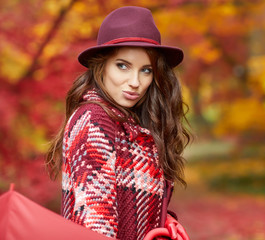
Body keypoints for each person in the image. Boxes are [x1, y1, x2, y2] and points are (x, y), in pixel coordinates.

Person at [45, 6, 191, 240]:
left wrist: (164, 220)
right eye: (122, 65)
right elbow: (95, 225)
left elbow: (130, 205)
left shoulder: (132, 125)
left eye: (146, 70)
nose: (135, 82)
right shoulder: (95, 120)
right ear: (101, 66)